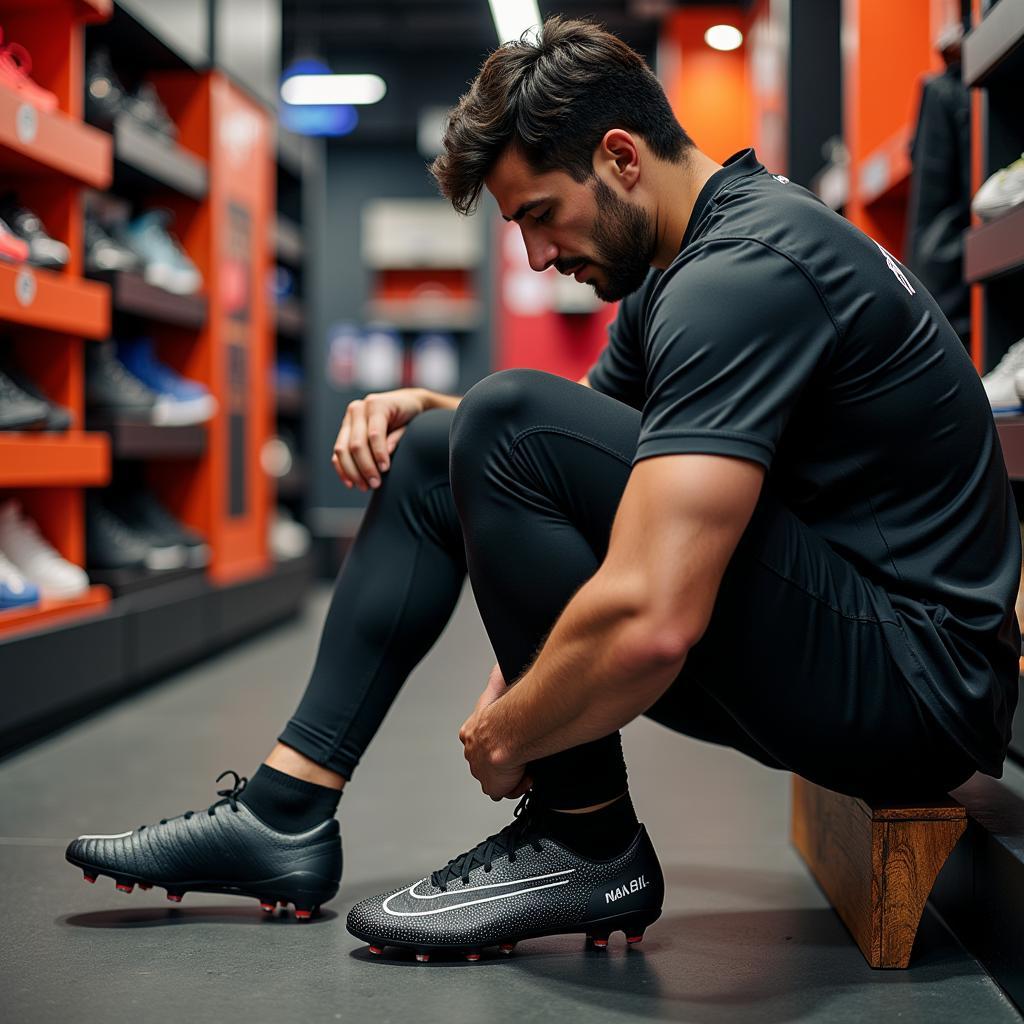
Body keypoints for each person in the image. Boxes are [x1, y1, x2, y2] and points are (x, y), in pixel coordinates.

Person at [67, 17, 1019, 963]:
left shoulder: (744, 271)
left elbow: (650, 615)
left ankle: (585, 838)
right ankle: (285, 812)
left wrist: (509, 730)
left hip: (921, 691)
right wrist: (439, 419)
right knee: (446, 438)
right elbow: (559, 466)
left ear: (620, 158)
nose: (534, 256)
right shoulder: (688, 263)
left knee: (495, 416)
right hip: (866, 643)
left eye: (537, 215)